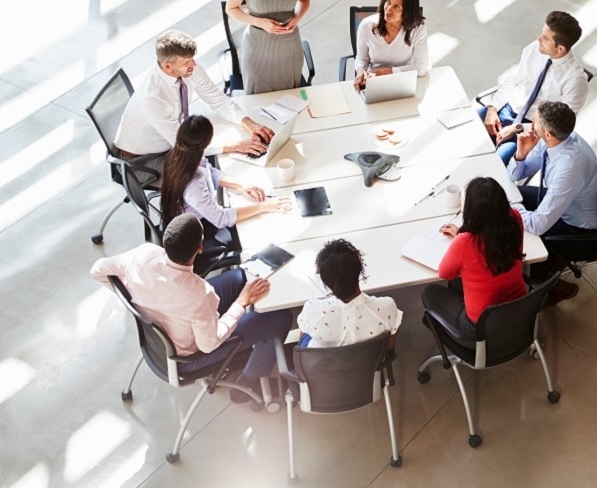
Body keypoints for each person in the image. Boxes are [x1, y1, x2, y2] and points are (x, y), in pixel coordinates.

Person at [90, 213, 293, 404]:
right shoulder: (199, 294)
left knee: (240, 277)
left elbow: (98, 269)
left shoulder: (144, 253)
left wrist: (132, 299)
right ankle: (250, 382)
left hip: (167, 333)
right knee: (280, 318)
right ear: (200, 248)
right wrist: (240, 303)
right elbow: (208, 344)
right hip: (189, 358)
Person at [115, 30, 274, 180]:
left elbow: (218, 99)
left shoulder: (189, 70)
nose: (194, 64)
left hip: (170, 141)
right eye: (186, 62)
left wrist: (250, 124)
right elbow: (185, 146)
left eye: (192, 58)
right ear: (167, 66)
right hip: (142, 163)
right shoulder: (152, 99)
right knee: (206, 180)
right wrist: (235, 146)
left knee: (217, 161)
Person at [508, 100, 597, 301]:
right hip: (567, 205)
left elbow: (537, 225)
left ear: (549, 134)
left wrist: (508, 209)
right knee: (511, 194)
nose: (532, 120)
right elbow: (516, 175)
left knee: (512, 229)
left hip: (577, 229)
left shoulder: (569, 167)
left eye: (536, 120)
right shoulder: (557, 140)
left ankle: (550, 289)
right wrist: (521, 154)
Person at [159, 116, 293, 254]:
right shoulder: (193, 185)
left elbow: (210, 172)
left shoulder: (182, 154)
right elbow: (221, 219)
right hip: (197, 233)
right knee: (254, 235)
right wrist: (263, 206)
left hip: (195, 218)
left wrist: (241, 185)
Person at [421, 178, 528, 342]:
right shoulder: (515, 218)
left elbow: (445, 273)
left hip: (479, 328)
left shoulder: (465, 242)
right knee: (458, 284)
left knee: (430, 291)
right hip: (518, 309)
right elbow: (491, 237)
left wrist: (461, 239)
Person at [479, 10, 589, 163]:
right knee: (461, 131)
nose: (539, 39)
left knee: (493, 164)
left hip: (530, 130)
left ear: (561, 49)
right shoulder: (535, 48)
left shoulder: (575, 80)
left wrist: (518, 128)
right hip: (507, 109)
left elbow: (559, 125)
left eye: (545, 38)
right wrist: (492, 108)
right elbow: (515, 80)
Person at [296, 239, 402, 347]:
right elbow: (389, 347)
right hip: (369, 362)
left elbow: (302, 347)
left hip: (322, 362)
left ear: (326, 282)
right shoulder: (387, 306)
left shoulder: (311, 310)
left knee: (306, 330)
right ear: (360, 271)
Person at [352, 0, 430, 90]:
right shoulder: (367, 26)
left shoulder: (418, 28)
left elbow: (421, 68)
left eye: (396, 6)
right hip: (374, 81)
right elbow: (361, 59)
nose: (388, 9)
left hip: (404, 80)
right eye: (388, 2)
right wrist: (360, 71)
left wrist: (385, 72)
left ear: (407, 12)